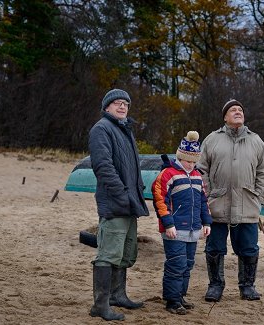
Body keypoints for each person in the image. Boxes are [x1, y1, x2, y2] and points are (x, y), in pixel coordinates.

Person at [198, 99, 264, 302]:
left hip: (247, 203)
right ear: (225, 117)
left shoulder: (256, 141)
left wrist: (258, 198)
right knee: (214, 248)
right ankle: (215, 286)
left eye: (240, 110)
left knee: (248, 248)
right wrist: (207, 196)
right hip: (216, 204)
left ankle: (247, 286)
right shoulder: (212, 139)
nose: (238, 112)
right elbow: (201, 170)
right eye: (233, 110)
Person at [88, 89, 150, 321]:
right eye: (117, 103)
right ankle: (100, 305)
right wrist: (122, 195)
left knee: (125, 253)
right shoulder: (101, 129)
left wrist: (136, 193)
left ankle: (117, 295)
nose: (122, 106)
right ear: (107, 108)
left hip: (129, 203)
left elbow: (132, 167)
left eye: (125, 103)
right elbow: (103, 167)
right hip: (115, 203)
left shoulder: (125, 130)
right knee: (108, 253)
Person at [152, 131, 212, 315]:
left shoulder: (196, 176)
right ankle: (171, 300)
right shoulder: (168, 173)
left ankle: (180, 296)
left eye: (194, 162)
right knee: (176, 264)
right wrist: (168, 224)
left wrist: (206, 222)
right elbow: (160, 200)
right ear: (180, 157)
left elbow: (203, 202)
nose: (191, 165)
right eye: (188, 161)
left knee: (187, 265)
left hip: (193, 230)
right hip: (175, 230)